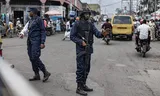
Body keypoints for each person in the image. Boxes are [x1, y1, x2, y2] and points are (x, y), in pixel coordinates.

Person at [70, 10, 107, 96]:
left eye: (88, 14)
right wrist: (80, 42)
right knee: (80, 68)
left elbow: (97, 34)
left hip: (89, 49)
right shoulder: (77, 24)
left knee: (87, 68)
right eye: (86, 14)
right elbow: (72, 36)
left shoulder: (90, 24)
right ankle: (79, 87)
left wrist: (103, 33)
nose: (88, 15)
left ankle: (83, 84)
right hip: (80, 50)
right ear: (82, 15)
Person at [19, 8, 51, 82]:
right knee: (31, 58)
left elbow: (43, 31)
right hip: (30, 41)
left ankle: (45, 72)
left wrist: (42, 42)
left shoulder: (39, 20)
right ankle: (36, 74)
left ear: (33, 12)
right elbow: (26, 29)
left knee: (35, 57)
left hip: (36, 41)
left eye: (30, 12)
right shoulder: (30, 20)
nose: (29, 13)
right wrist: (22, 33)